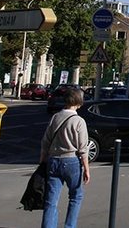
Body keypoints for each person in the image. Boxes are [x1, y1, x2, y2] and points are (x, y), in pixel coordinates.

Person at [40, 86, 90, 228]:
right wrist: (86, 168)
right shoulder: (79, 121)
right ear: (79, 101)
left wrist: (43, 159)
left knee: (51, 200)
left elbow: (45, 140)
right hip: (71, 161)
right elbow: (83, 148)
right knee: (75, 196)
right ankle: (70, 225)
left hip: (53, 160)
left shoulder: (56, 117)